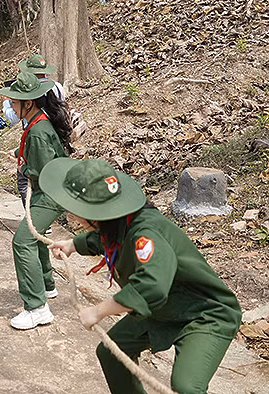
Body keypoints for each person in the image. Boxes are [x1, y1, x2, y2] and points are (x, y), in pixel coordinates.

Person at [44, 158, 241, 394]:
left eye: (77, 212)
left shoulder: (146, 233)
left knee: (187, 387)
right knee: (110, 351)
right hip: (164, 307)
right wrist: (73, 244)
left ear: (96, 214)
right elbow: (108, 240)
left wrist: (98, 311)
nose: (74, 218)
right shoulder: (120, 223)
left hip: (204, 313)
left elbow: (152, 285)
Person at [0, 71, 74, 330]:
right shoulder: (37, 122)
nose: (11, 106)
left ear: (27, 103)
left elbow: (43, 172)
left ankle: (37, 308)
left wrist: (24, 168)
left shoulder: (39, 130)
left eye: (15, 102)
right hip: (48, 191)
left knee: (22, 241)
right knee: (35, 236)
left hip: (50, 195)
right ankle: (47, 285)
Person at [6, 54, 68, 210]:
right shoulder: (57, 86)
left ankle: (37, 214)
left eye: (14, 102)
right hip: (52, 131)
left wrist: (24, 168)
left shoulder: (32, 93)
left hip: (37, 136)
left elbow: (38, 171)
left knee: (26, 180)